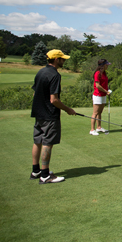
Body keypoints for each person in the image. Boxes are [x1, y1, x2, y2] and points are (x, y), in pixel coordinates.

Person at [30, 49, 76, 184]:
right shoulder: (55, 75)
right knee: (47, 143)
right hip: (50, 115)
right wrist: (68, 109)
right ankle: (45, 175)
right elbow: (54, 100)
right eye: (62, 59)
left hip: (38, 114)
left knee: (37, 141)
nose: (64, 61)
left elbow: (35, 94)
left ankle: (36, 171)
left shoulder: (40, 72)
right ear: (56, 60)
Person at [90, 59, 111, 135]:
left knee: (100, 112)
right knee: (95, 113)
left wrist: (108, 90)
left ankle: (98, 127)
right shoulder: (97, 73)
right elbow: (98, 86)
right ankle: (92, 130)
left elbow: (105, 83)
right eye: (106, 65)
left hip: (103, 95)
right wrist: (106, 91)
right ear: (103, 65)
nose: (107, 66)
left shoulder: (104, 73)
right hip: (97, 95)